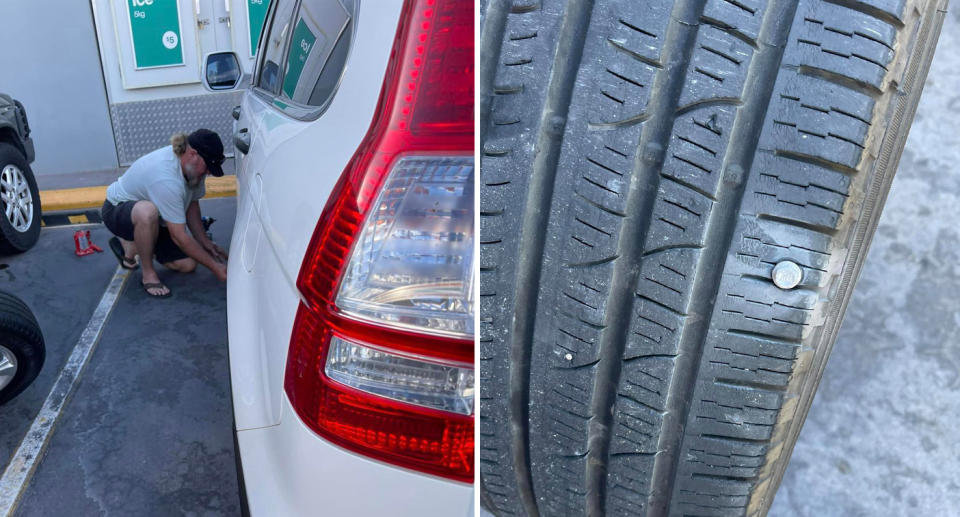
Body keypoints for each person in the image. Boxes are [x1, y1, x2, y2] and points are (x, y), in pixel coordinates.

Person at [101, 129, 229, 297]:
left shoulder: (193, 168)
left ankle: (138, 243)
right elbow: (179, 237)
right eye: (208, 167)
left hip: (159, 216)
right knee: (147, 212)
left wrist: (206, 244)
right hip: (118, 210)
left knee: (188, 265)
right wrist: (215, 267)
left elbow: (192, 205)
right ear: (192, 154)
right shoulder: (165, 177)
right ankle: (147, 273)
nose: (209, 172)